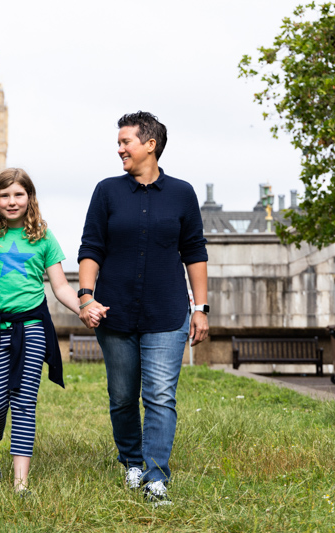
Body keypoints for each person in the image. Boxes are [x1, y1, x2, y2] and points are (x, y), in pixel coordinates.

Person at [0, 168, 102, 495]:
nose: (11, 201)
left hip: (32, 328)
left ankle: (20, 483)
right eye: (5, 195)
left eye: (18, 194)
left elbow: (60, 286)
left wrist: (85, 307)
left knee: (25, 403)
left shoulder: (42, 237)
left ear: (29, 198)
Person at [77, 111, 208, 506]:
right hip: (114, 315)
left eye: (125, 142)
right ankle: (132, 461)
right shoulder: (106, 192)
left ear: (150, 144)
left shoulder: (182, 193)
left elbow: (195, 253)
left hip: (167, 313)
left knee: (160, 395)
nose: (119, 149)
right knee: (121, 396)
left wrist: (200, 308)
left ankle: (155, 476)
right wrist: (85, 296)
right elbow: (91, 248)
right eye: (118, 143)